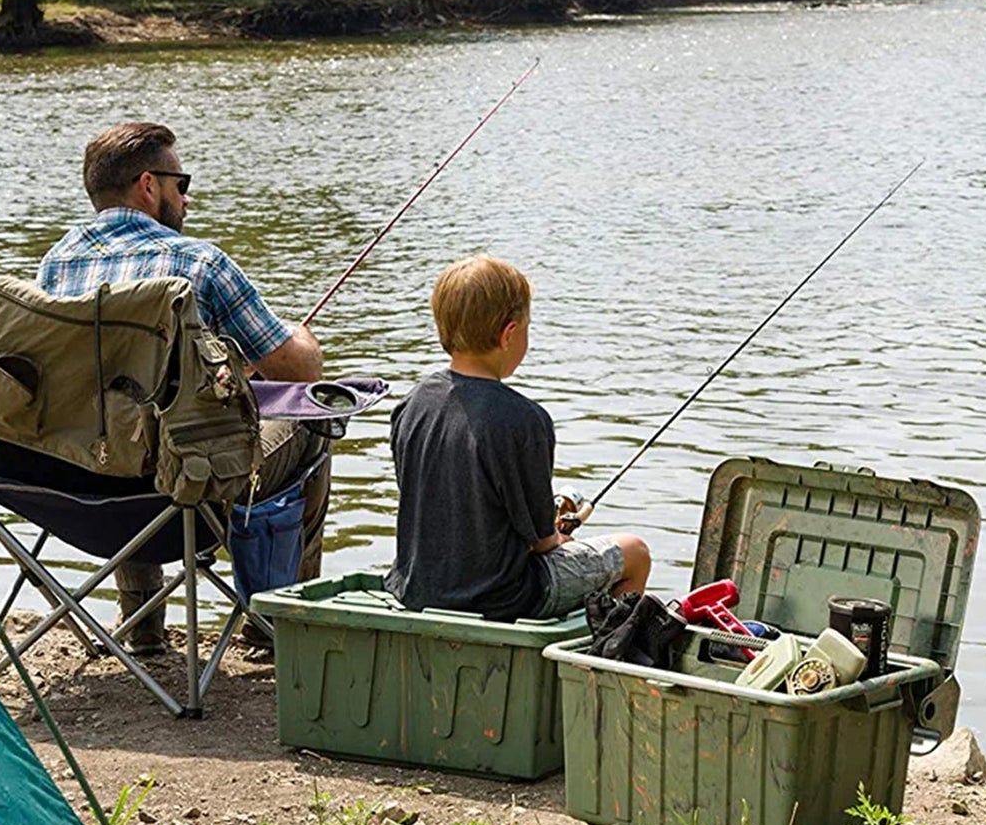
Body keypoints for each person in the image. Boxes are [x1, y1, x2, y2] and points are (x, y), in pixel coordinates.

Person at [39, 121, 330, 654]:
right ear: (148, 186)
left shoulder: (56, 264)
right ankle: (278, 622)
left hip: (81, 486)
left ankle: (143, 628)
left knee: (124, 430)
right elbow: (298, 371)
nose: (187, 198)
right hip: (188, 491)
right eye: (182, 183)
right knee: (314, 419)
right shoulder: (198, 262)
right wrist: (300, 337)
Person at [385, 254, 650, 622]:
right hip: (503, 597)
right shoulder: (525, 420)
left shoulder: (411, 404)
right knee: (635, 552)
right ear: (508, 334)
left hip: (414, 588)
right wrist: (559, 537)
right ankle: (612, 647)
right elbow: (543, 542)